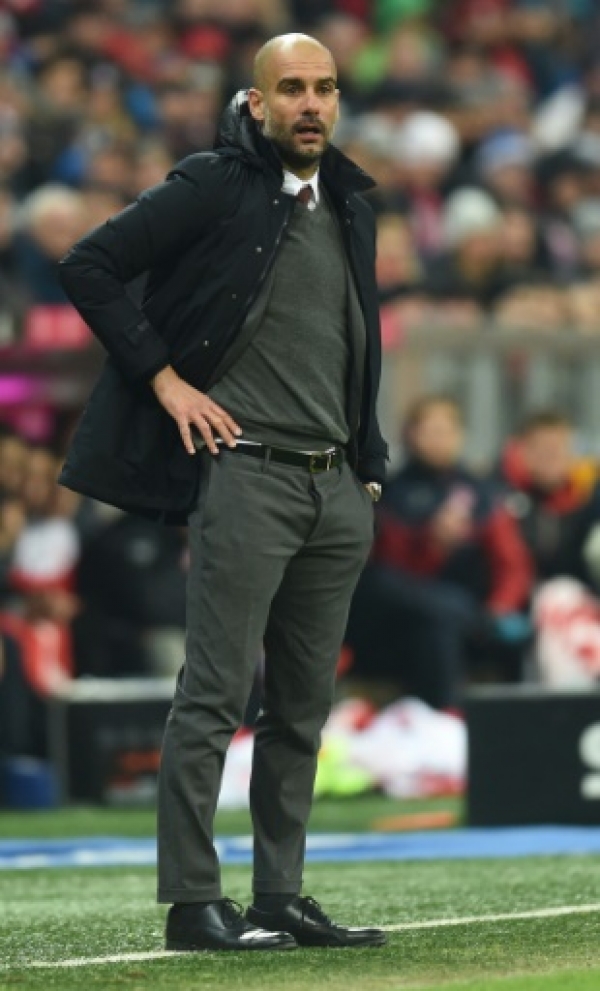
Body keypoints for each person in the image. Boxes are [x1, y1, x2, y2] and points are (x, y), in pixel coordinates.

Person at [58, 33, 388, 953]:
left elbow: (358, 341)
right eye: (292, 89)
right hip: (245, 474)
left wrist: (370, 464)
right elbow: (88, 264)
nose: (311, 104)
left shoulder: (353, 206)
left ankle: (278, 894)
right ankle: (193, 902)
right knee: (212, 695)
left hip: (335, 486)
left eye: (324, 88)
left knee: (301, 709)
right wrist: (165, 382)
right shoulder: (213, 181)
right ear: (256, 102)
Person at [345, 395, 533, 708]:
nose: (439, 440)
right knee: (432, 611)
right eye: (430, 431)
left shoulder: (483, 494)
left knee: (443, 621)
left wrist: (499, 608)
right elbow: (387, 575)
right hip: (400, 621)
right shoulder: (388, 494)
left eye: (446, 431)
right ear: (411, 435)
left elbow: (512, 565)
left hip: (468, 619)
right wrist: (432, 543)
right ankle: (446, 715)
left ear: (460, 435)